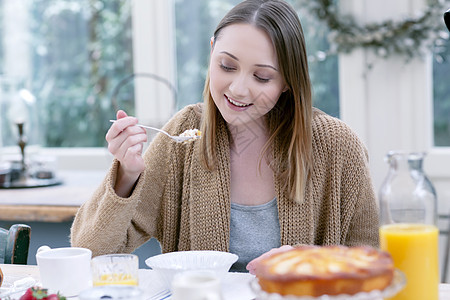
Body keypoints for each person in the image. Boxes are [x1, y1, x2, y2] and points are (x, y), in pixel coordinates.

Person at [70, 0, 379, 273]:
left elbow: (371, 262)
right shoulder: (182, 137)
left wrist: (313, 262)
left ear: (287, 81)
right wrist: (127, 175)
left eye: (262, 77)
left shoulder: (338, 146)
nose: (238, 89)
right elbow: (90, 253)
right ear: (211, 52)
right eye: (227, 66)